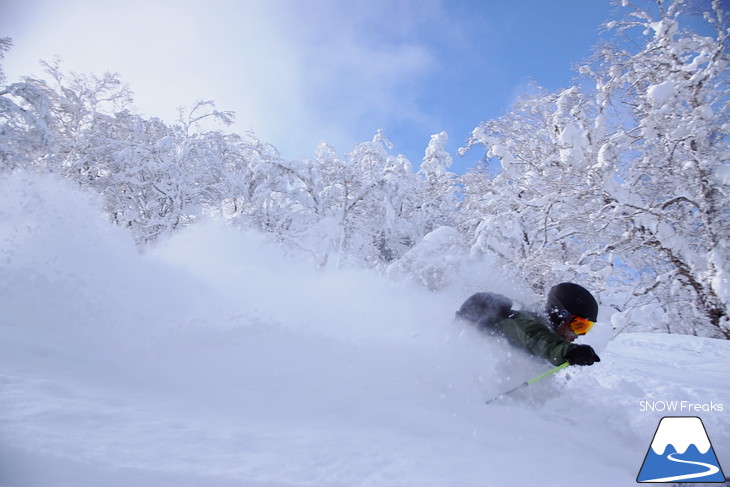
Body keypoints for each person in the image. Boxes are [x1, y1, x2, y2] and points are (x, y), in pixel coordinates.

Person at [456, 282, 601, 366]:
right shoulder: (524, 323)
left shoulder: (546, 328)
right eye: (578, 326)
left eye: (586, 328)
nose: (578, 335)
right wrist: (568, 351)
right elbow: (538, 340)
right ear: (559, 315)